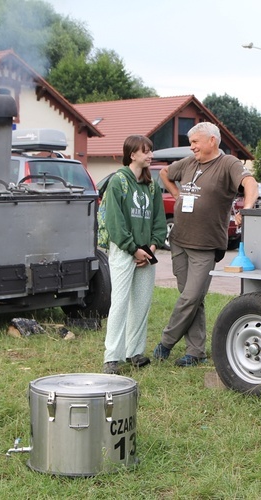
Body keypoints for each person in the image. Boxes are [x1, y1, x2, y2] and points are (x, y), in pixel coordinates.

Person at [154, 122, 258, 367]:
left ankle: (166, 341)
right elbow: (164, 173)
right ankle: (195, 352)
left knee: (190, 297)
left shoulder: (228, 164)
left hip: (206, 245)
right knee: (193, 298)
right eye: (191, 143)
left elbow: (250, 183)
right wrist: (176, 194)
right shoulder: (189, 163)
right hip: (179, 240)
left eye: (195, 142)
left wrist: (248, 208)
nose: (192, 147)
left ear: (212, 140)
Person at [102, 135, 167, 374]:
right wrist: (133, 248)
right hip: (123, 251)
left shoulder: (151, 185)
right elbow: (114, 221)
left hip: (146, 252)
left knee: (141, 303)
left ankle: (135, 352)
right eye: (146, 151)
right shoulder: (118, 181)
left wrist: (151, 247)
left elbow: (159, 220)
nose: (150, 155)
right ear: (132, 154)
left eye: (151, 150)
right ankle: (112, 357)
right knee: (119, 303)